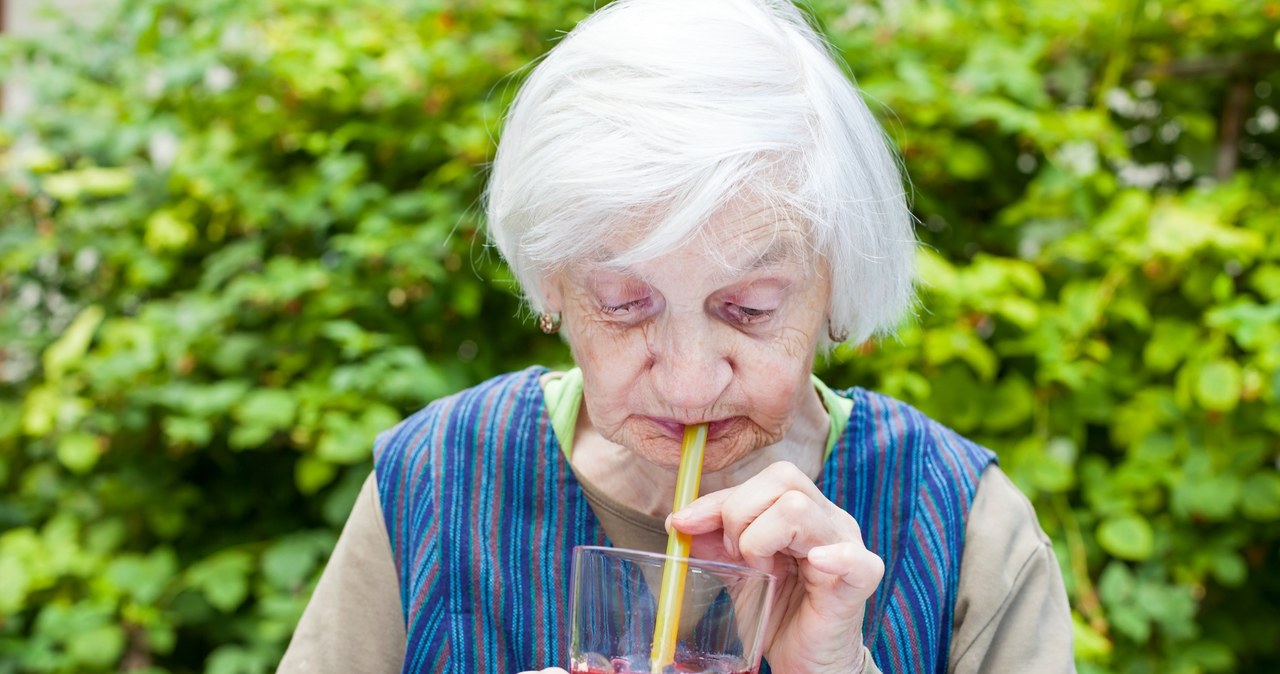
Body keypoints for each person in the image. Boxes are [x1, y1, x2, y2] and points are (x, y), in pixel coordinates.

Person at [277, 0, 1074, 672]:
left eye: (752, 308)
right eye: (625, 304)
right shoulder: (435, 479)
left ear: (840, 283)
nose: (691, 383)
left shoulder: (966, 525)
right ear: (549, 285)